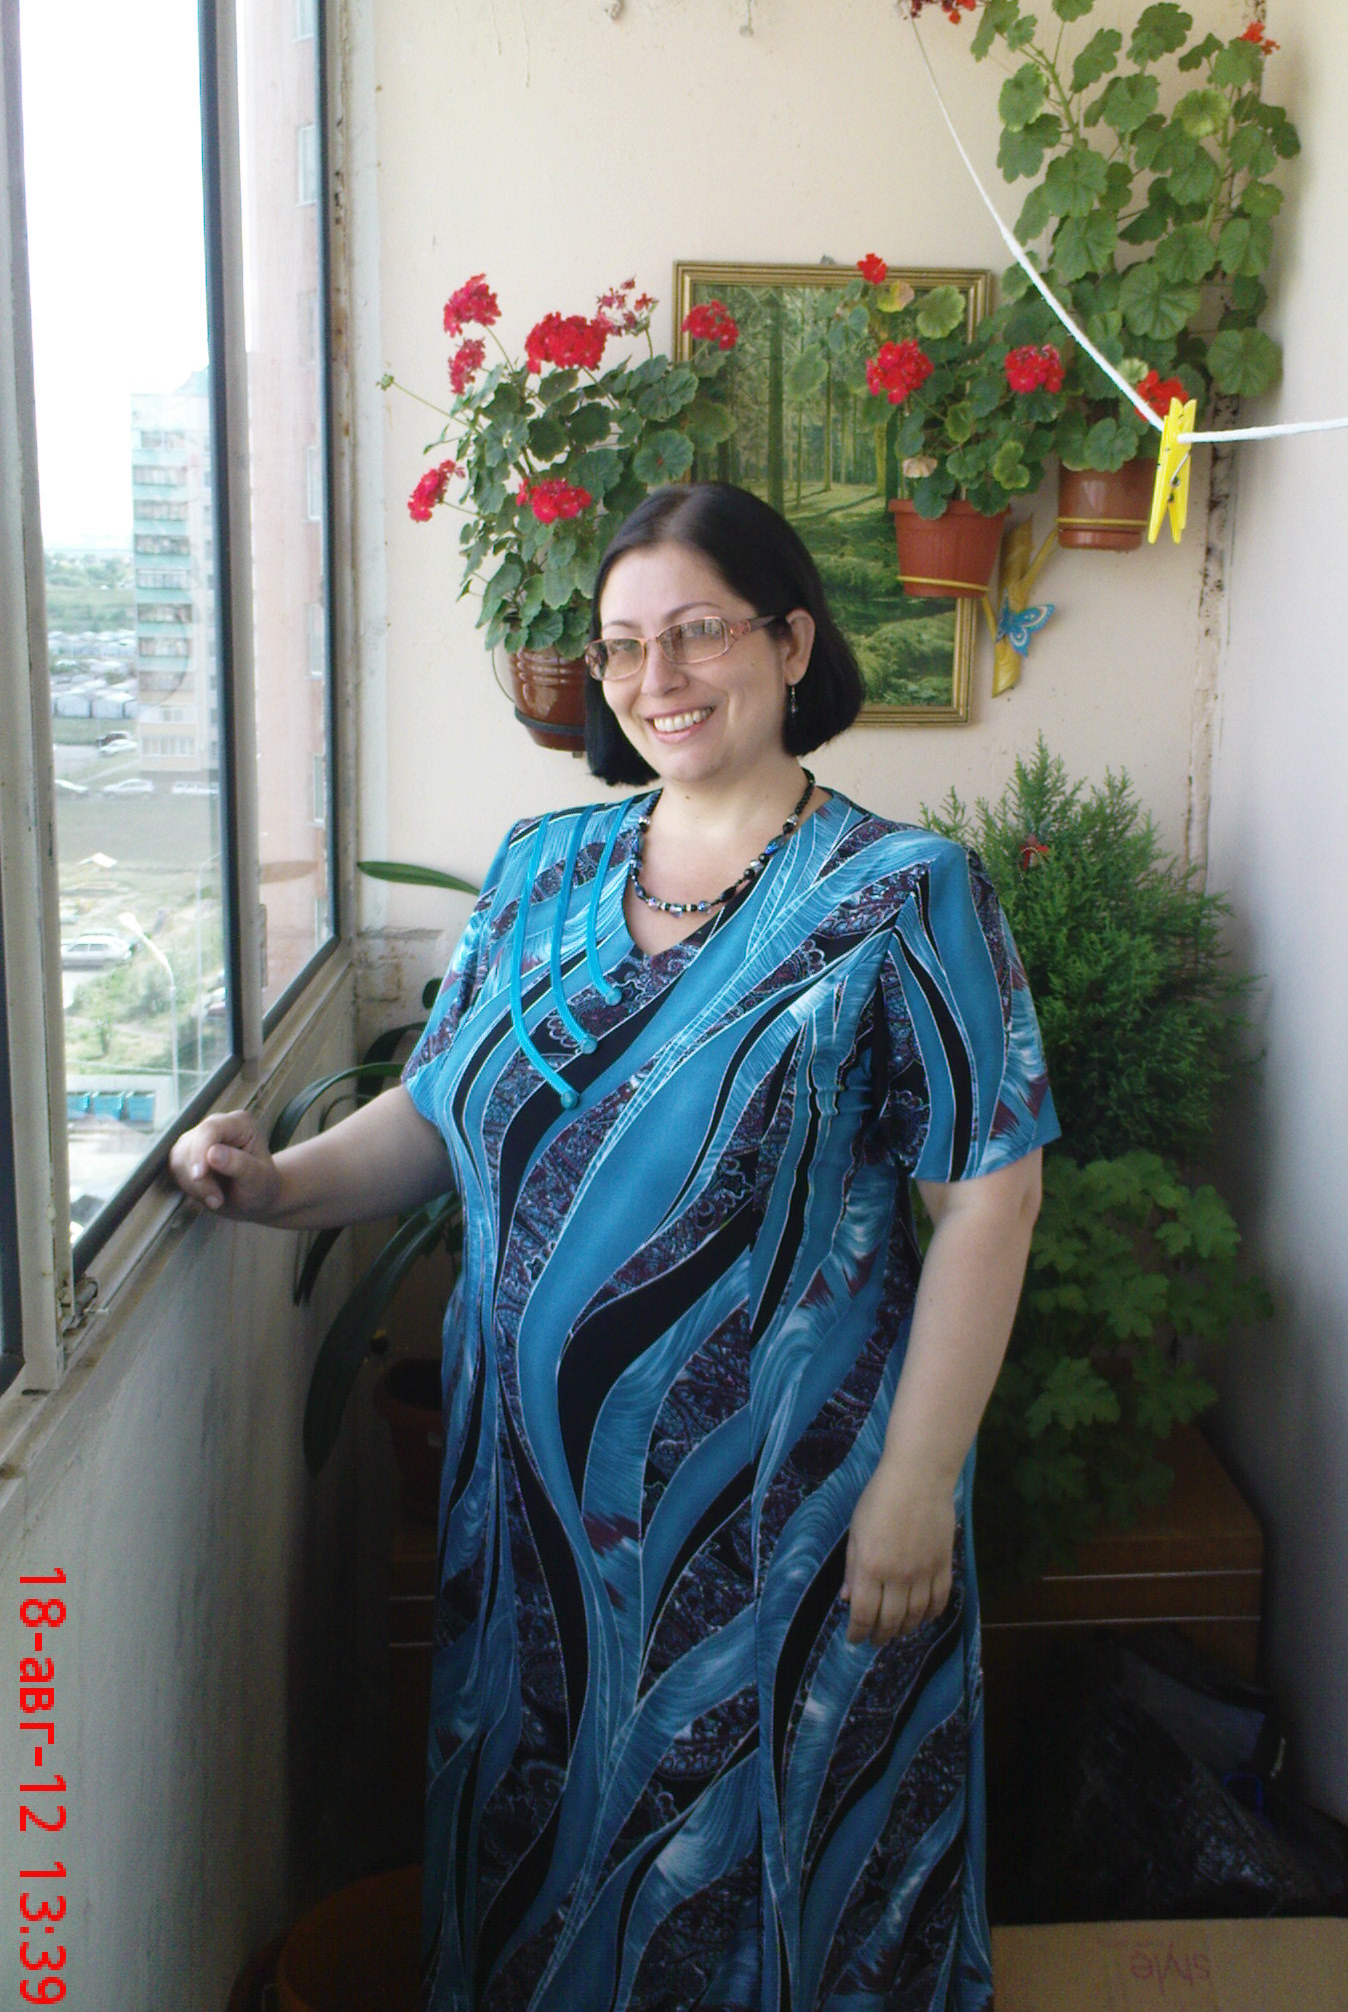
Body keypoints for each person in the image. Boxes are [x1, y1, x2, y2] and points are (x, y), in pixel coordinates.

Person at [170, 483, 1059, 2011]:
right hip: (530, 1529)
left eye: (699, 631)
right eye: (625, 645)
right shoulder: (540, 869)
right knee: (546, 1878)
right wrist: (272, 1185)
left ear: (792, 644)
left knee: (770, 1893)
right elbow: (442, 1113)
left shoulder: (905, 897)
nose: (659, 677)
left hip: (782, 1530)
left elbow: (989, 1193)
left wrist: (917, 1484)